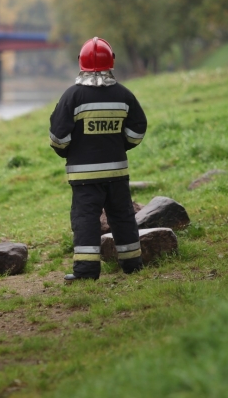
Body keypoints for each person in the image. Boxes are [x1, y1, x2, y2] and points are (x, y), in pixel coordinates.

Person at [49, 37, 147, 281]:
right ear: (110, 63)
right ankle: (133, 265)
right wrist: (118, 146)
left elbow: (58, 138)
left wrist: (70, 152)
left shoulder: (72, 96)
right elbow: (138, 130)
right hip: (117, 173)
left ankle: (86, 272)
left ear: (81, 64)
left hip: (84, 177)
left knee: (86, 222)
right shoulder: (124, 95)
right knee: (123, 217)